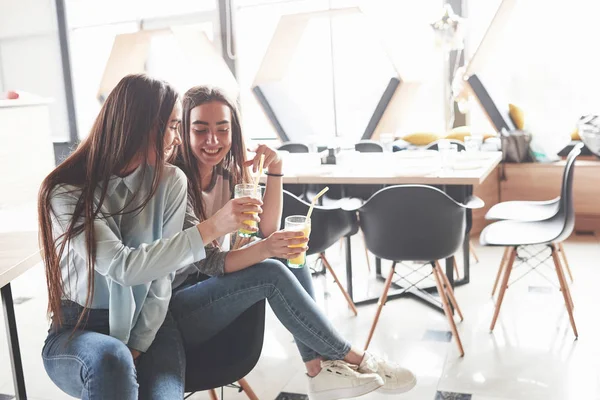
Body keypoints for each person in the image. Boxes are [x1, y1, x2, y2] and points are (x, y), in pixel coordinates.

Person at [172, 86, 417, 399]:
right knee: (272, 268)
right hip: (179, 303)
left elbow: (267, 227)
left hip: (210, 285)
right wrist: (266, 248)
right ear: (184, 130)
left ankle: (317, 370)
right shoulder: (175, 184)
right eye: (200, 129)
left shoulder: (228, 173)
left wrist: (276, 171)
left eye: (222, 129)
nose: (213, 140)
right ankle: (355, 357)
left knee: (287, 254)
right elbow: (209, 263)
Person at [38, 74, 262, 400]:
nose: (178, 138)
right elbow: (123, 267)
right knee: (111, 360)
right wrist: (214, 226)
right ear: (139, 126)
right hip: (78, 326)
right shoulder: (66, 191)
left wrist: (140, 340)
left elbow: (161, 279)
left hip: (152, 322)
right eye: (172, 126)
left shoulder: (170, 180)